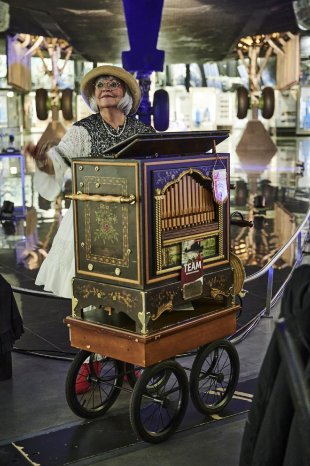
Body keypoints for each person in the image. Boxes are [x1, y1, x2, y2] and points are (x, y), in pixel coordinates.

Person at [24, 65, 155, 298]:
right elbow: (59, 161)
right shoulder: (82, 130)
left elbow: (163, 158)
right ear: (94, 95)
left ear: (125, 93)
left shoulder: (141, 130)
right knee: (93, 289)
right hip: (92, 218)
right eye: (100, 85)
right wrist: (42, 159)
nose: (106, 89)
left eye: (113, 84)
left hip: (135, 217)